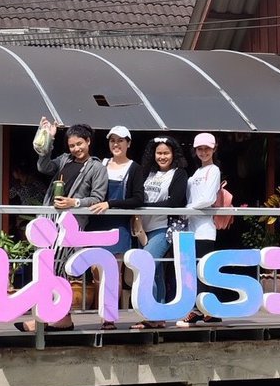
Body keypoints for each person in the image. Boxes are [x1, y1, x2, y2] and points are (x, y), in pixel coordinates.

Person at [15, 118, 107, 333]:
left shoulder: (96, 168)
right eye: (72, 145)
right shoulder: (65, 159)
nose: (76, 149)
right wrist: (49, 138)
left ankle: (49, 318)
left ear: (88, 141)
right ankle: (59, 318)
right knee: (47, 267)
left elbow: (98, 198)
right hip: (50, 221)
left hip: (70, 225)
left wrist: (74, 203)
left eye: (79, 144)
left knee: (57, 269)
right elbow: (43, 166)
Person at [128, 136, 188, 330]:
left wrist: (144, 205)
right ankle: (157, 316)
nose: (162, 157)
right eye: (159, 153)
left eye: (166, 153)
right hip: (142, 228)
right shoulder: (147, 172)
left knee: (147, 264)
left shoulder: (179, 174)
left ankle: (152, 314)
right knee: (156, 272)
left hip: (163, 227)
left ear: (173, 154)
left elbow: (175, 201)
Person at [88, 126, 144, 330]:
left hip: (119, 227)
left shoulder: (134, 168)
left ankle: (109, 318)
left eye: (121, 140)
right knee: (97, 274)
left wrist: (110, 204)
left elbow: (138, 199)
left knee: (114, 273)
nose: (116, 144)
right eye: (112, 140)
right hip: (96, 224)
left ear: (128, 143)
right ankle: (100, 311)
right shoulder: (99, 164)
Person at [177, 132, 223, 327]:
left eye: (207, 148)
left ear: (214, 149)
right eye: (200, 149)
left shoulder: (214, 170)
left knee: (204, 271)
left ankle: (204, 311)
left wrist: (187, 209)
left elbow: (208, 198)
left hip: (205, 228)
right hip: (192, 227)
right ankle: (205, 311)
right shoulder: (196, 172)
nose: (203, 152)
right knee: (194, 270)